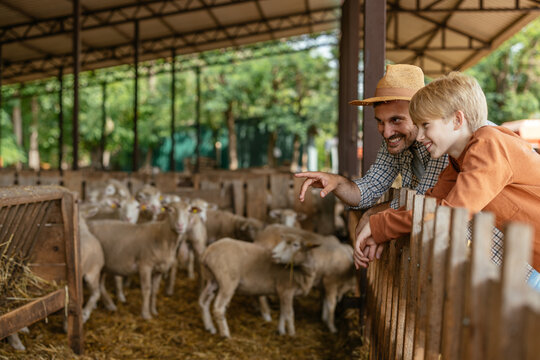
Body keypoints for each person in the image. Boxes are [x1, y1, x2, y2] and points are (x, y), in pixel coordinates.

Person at [354, 72, 540, 284]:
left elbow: (452, 214)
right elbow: (429, 205)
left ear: (457, 120)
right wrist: (379, 230)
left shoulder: (489, 144)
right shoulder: (458, 161)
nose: (421, 136)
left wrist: (381, 226)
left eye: (426, 125)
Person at [295, 64, 448, 213]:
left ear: (420, 113)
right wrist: (337, 182)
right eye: (380, 121)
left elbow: (427, 199)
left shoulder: (441, 141)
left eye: (396, 120)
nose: (386, 133)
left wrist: (373, 215)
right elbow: (369, 189)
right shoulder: (397, 140)